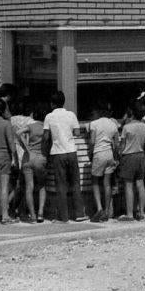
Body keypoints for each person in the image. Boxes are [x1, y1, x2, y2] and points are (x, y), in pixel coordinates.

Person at [44, 90, 87, 223]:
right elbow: (77, 132)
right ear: (63, 102)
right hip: (71, 151)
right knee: (75, 183)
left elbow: (46, 137)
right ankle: (79, 214)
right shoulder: (71, 115)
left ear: (52, 104)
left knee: (61, 185)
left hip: (57, 152)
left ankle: (63, 217)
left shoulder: (49, 117)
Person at [117, 99, 145, 221]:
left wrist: (118, 155)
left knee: (128, 185)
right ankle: (141, 212)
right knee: (140, 183)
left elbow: (122, 145)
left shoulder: (127, 127)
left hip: (129, 156)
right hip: (141, 155)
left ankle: (129, 214)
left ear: (131, 113)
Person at [11, 98, 44, 223]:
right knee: (31, 185)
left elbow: (15, 135)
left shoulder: (11, 120)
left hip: (20, 156)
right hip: (31, 155)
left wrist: (25, 148)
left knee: (23, 186)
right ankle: (23, 211)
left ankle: (26, 214)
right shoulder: (32, 123)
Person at [86, 103, 120, 222]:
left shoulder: (94, 124)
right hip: (109, 154)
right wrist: (116, 158)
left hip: (98, 153)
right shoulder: (113, 124)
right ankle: (107, 210)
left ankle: (99, 208)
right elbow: (116, 144)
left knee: (95, 181)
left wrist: (90, 154)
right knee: (107, 183)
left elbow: (92, 141)